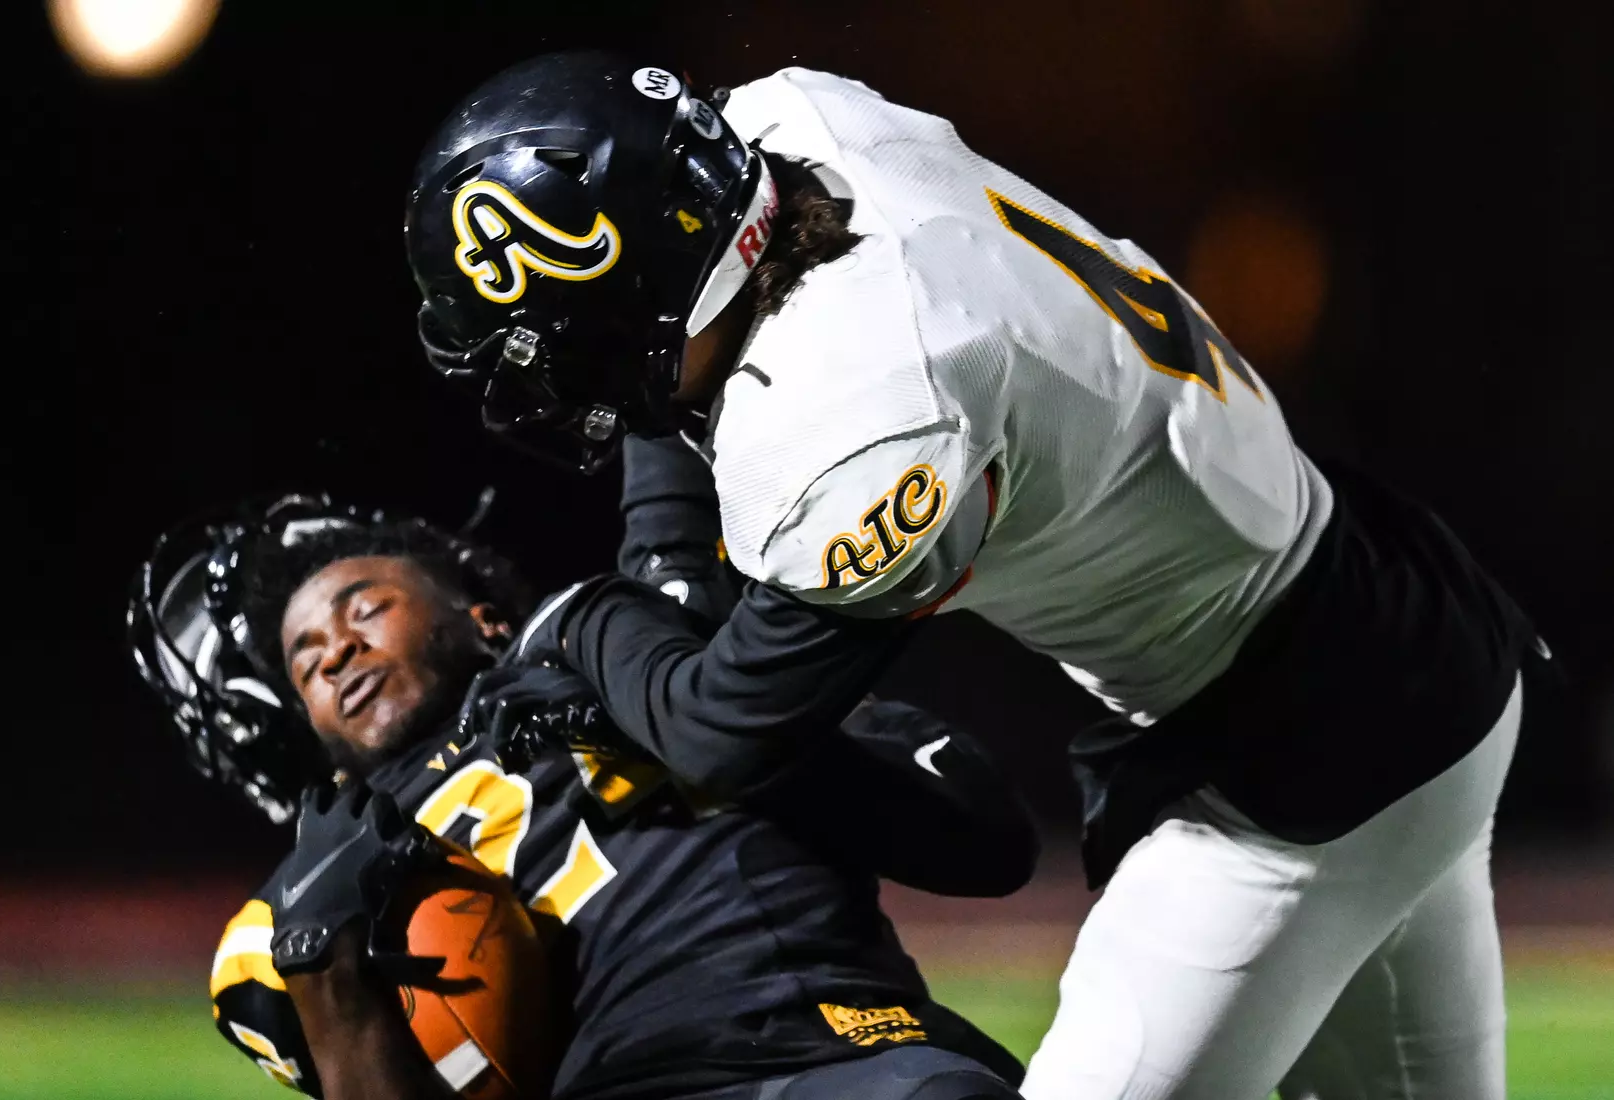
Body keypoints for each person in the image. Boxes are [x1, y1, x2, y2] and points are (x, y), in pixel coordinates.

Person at [402, 51, 1545, 1100]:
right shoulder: (786, 129)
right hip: (1391, 628)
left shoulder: (864, 414)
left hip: (1308, 751)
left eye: (556, 339)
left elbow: (723, 730)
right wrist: (663, 568)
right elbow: (677, 350)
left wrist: (582, 620)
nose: (555, 377)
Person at [128, 438, 1038, 1100]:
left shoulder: (617, 661)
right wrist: (326, 970)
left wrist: (707, 734)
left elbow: (990, 844)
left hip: (843, 1053)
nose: (335, 651)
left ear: (483, 618)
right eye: (305, 660)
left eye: (364, 609)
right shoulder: (304, 897)